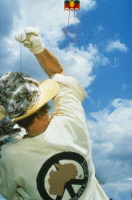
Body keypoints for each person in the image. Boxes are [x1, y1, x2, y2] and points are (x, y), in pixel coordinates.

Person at [0, 27, 109, 200]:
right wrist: (38, 47)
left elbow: (9, 192)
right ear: (41, 98)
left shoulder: (9, 156)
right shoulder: (72, 121)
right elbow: (57, 73)